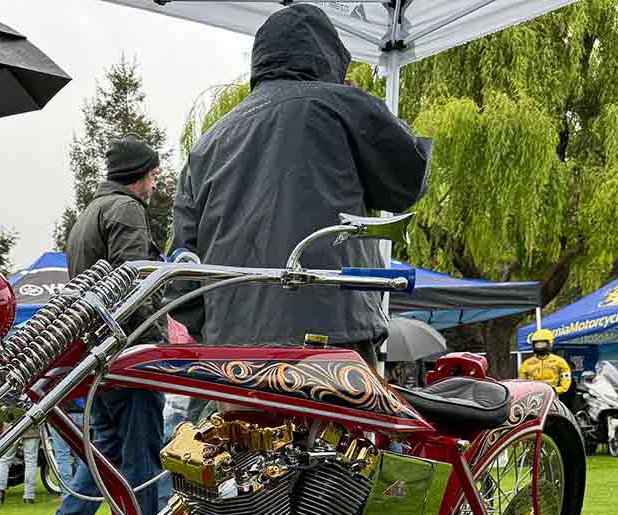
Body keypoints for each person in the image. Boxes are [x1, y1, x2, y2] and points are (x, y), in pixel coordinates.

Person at [170, 5, 431, 364]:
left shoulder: (206, 146)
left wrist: (219, 329)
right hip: (333, 341)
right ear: (329, 57)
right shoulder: (341, 105)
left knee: (240, 424)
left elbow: (182, 274)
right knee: (337, 422)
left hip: (231, 356)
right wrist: (358, 105)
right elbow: (406, 181)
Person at [36, 136, 167, 515]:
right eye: (151, 174)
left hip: (98, 353)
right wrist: (155, 341)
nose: (154, 183)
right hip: (128, 351)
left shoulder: (88, 214)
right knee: (143, 451)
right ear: (139, 175)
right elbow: (135, 281)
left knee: (107, 450)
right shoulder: (127, 210)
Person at [519, 330, 576, 405]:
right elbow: (521, 383)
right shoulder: (526, 364)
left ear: (550, 343)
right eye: (537, 344)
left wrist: (554, 390)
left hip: (553, 399)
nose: (539, 346)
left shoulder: (560, 362)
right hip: (532, 399)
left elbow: (565, 384)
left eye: (543, 343)